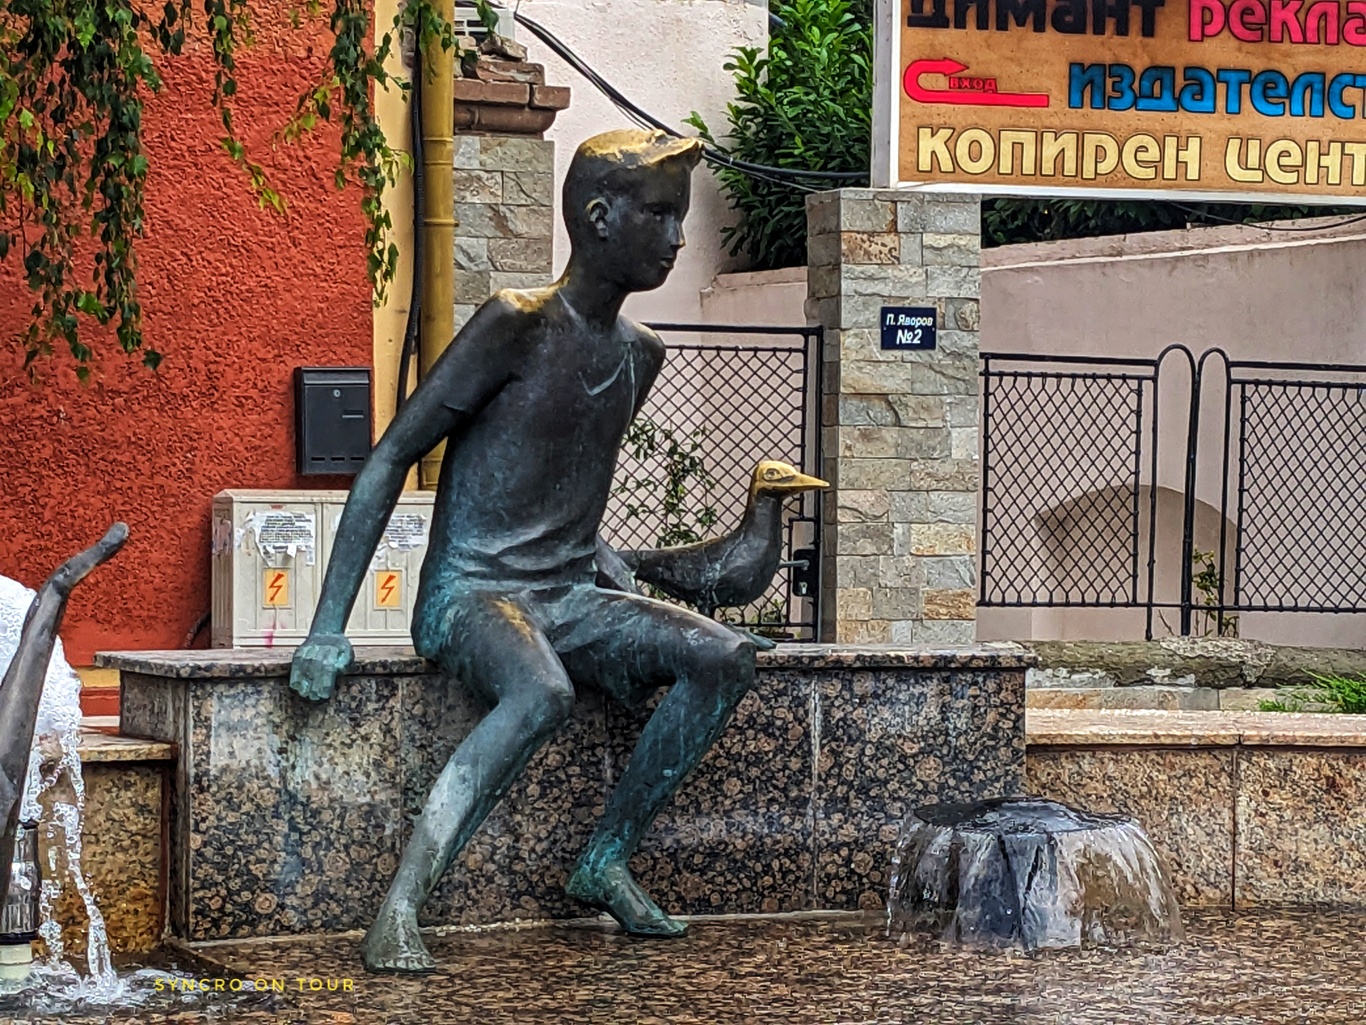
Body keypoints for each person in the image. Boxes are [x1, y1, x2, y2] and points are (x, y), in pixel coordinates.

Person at [289, 129, 757, 974]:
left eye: (678, 217)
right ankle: (400, 905)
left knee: (723, 654)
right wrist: (328, 626)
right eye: (660, 215)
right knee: (541, 688)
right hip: (470, 592)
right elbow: (391, 456)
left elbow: (563, 476)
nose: (676, 237)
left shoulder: (640, 353)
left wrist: (605, 559)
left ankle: (604, 858)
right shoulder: (516, 322)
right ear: (599, 217)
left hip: (567, 594)